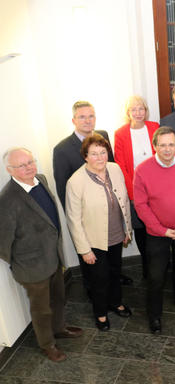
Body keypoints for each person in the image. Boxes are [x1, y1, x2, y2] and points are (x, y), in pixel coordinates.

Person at [0, 148, 83, 362]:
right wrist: (21, 262)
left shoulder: (41, 179)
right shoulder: (7, 199)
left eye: (30, 161)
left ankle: (59, 329)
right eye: (22, 165)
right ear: (9, 170)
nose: (29, 167)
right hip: (31, 267)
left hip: (53, 257)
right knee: (41, 309)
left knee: (58, 297)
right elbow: (2, 242)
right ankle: (47, 344)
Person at [53, 100, 132, 288]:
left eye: (91, 116)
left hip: (109, 213)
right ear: (74, 120)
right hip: (86, 217)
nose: (87, 120)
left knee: (112, 258)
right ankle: (92, 291)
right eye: (82, 117)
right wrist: (76, 224)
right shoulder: (62, 149)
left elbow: (110, 170)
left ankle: (114, 282)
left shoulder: (102, 136)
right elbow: (63, 189)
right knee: (92, 264)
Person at [65, 134, 133, 331]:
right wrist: (84, 250)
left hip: (116, 235)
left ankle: (116, 302)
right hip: (94, 241)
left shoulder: (115, 169)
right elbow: (73, 220)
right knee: (99, 278)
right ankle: (100, 313)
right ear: (85, 156)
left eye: (103, 152)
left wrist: (126, 229)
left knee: (115, 272)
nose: (100, 157)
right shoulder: (75, 182)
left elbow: (124, 201)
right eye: (94, 154)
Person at [133, 127, 175, 334]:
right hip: (157, 233)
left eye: (171, 144)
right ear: (154, 147)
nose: (167, 149)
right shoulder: (142, 169)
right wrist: (162, 230)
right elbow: (141, 206)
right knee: (156, 276)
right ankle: (155, 315)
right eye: (162, 145)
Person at [114, 95, 160, 278]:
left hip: (157, 189)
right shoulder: (121, 134)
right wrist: (134, 194)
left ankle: (160, 266)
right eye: (134, 109)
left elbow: (162, 156)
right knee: (141, 230)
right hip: (135, 191)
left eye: (141, 108)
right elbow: (121, 166)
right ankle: (148, 269)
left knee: (156, 230)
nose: (138, 113)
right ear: (128, 113)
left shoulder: (155, 127)